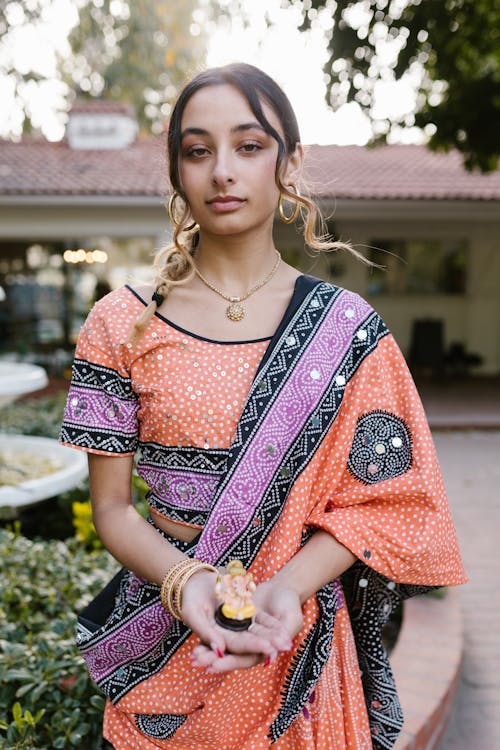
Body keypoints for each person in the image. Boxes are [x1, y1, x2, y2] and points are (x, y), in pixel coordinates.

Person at [59, 63, 466, 750]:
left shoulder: (347, 330)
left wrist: (285, 589)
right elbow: (113, 509)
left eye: (249, 146)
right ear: (176, 171)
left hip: (298, 650)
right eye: (197, 150)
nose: (223, 171)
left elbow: (388, 501)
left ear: (290, 161)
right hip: (163, 652)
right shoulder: (120, 323)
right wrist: (186, 581)